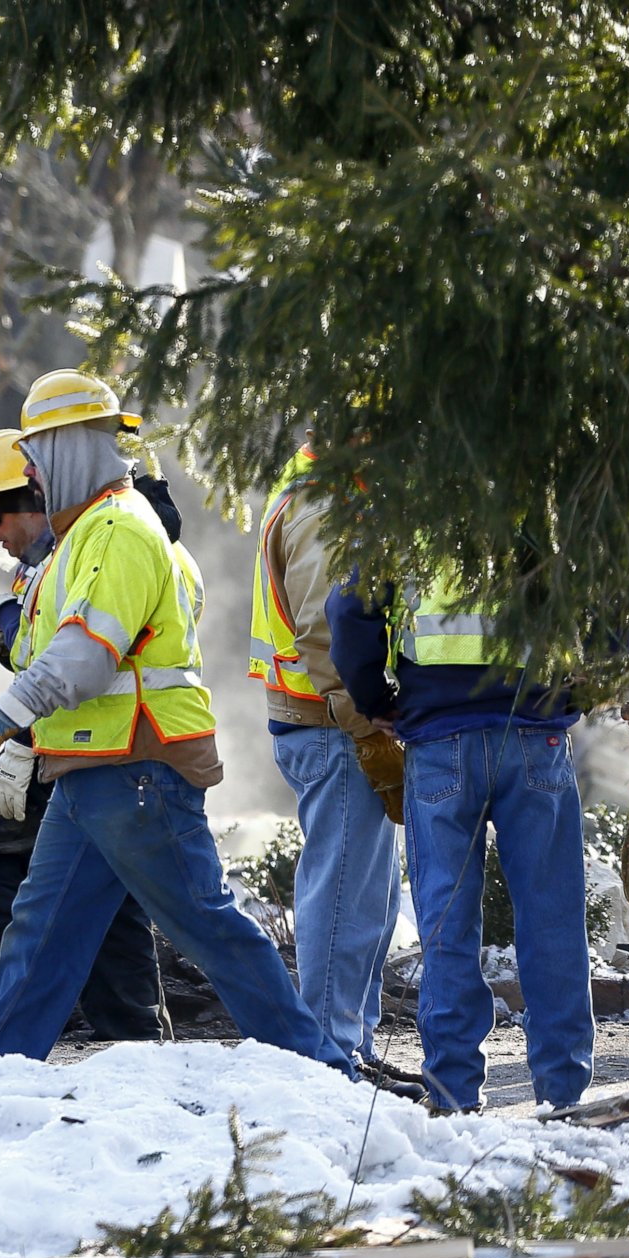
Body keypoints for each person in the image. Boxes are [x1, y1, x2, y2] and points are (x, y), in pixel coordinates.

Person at [0, 369, 344, 1071]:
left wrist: (4, 716)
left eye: (39, 452)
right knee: (40, 935)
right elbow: (55, 644)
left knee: (208, 925)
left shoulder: (119, 528)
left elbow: (86, 656)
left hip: (139, 768)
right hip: (92, 769)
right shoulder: (81, 539)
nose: (33, 470)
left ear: (70, 448)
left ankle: (319, 1068)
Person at [329, 568, 590, 1110]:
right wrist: (585, 685)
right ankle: (562, 1094)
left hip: (439, 740)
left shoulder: (404, 501)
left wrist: (377, 701)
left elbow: (350, 610)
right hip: (536, 733)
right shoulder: (549, 495)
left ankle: (452, 1092)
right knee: (553, 918)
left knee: (446, 922)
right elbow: (611, 593)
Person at [0, 428, 161, 1041]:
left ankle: (41, 1023)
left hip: (109, 745)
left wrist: (14, 730)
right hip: (72, 744)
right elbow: (47, 651)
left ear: (38, 491)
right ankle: (117, 1031)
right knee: (109, 884)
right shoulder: (51, 554)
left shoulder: (104, 538)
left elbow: (86, 658)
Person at [251, 445, 404, 1067]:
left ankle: (351, 1045)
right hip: (334, 724)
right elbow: (322, 629)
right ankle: (329, 1054)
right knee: (345, 897)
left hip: (327, 721)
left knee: (369, 897)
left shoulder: (320, 486)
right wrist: (363, 722)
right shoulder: (328, 501)